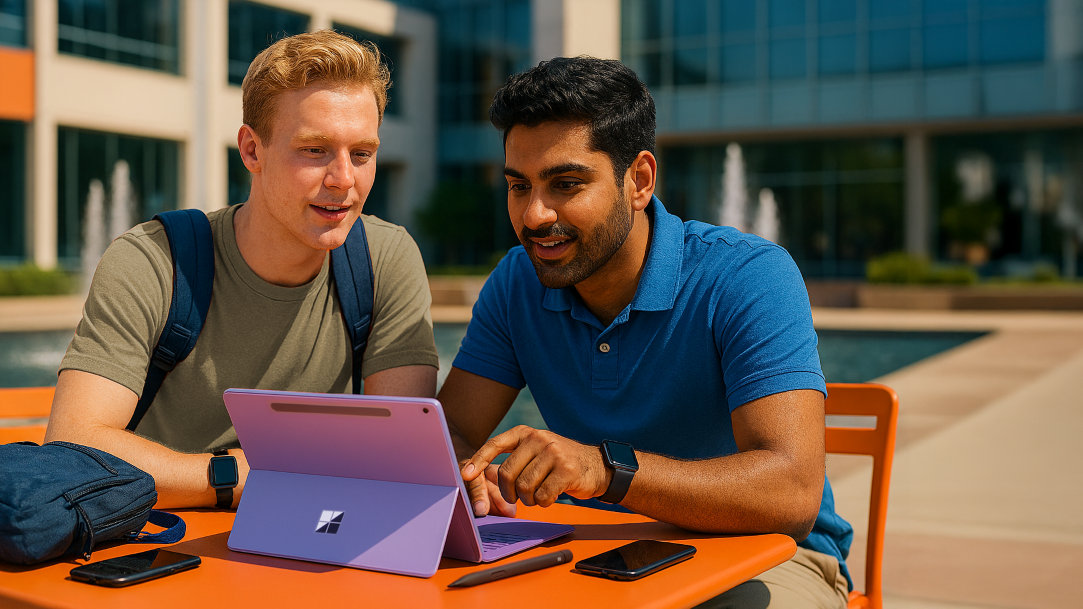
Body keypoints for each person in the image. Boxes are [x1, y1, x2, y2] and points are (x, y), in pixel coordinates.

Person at [438, 56, 852, 608]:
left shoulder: (748, 276)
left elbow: (791, 492)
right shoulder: (517, 282)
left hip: (772, 555)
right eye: (519, 186)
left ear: (638, 180)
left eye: (565, 184)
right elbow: (452, 433)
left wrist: (603, 469)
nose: (534, 214)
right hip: (594, 552)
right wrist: (474, 478)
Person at [46, 30, 438, 510]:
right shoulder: (151, 260)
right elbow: (73, 444)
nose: (344, 180)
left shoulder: (386, 259)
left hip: (310, 542)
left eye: (362, 154)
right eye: (314, 150)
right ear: (252, 151)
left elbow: (404, 456)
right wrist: (236, 476)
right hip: (158, 548)